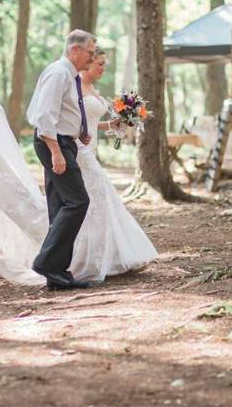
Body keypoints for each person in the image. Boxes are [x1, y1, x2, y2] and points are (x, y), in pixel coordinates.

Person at [71, 49, 158, 281]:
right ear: (88, 63)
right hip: (79, 150)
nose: (102, 68)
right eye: (99, 64)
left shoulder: (94, 89)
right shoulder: (74, 85)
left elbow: (92, 122)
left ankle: (110, 256)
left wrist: (111, 124)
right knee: (101, 194)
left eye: (104, 65)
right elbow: (73, 121)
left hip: (92, 149)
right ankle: (89, 261)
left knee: (95, 201)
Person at [25, 29, 96, 290]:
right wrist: (56, 151)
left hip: (64, 141)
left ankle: (57, 273)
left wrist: (80, 131)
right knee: (78, 201)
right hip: (53, 142)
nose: (93, 57)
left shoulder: (70, 75)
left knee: (60, 206)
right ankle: (46, 262)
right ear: (74, 50)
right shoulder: (58, 72)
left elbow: (65, 110)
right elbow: (45, 115)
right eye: (90, 52)